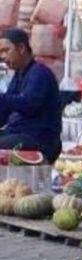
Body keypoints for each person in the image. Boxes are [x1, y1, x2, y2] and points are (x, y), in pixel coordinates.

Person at [0, 27, 62, 161]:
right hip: (19, 134)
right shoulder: (19, 75)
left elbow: (29, 105)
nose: (2, 57)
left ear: (21, 48)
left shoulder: (40, 73)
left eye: (6, 50)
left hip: (40, 139)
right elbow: (5, 110)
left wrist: (2, 99)